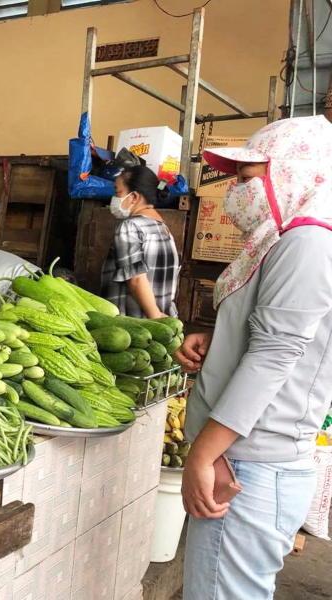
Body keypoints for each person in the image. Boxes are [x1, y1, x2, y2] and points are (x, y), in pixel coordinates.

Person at [175, 115, 332, 600]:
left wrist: (204, 451)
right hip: (245, 457)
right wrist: (218, 335)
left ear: (293, 170)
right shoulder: (286, 239)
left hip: (251, 461)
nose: (237, 190)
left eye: (248, 177)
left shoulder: (308, 241)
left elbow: (275, 355)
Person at [100, 165, 180, 318]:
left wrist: (155, 315)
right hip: (163, 323)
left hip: (136, 325)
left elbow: (136, 279)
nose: (114, 198)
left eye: (118, 192)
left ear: (134, 197)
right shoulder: (163, 228)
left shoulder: (130, 226)